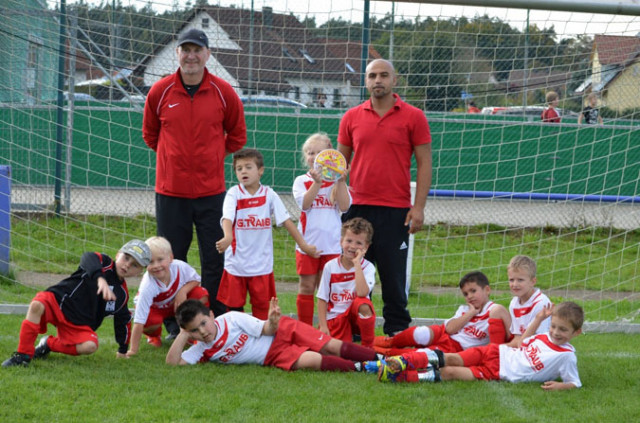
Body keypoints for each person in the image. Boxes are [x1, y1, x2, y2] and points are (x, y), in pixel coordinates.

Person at [142, 28, 247, 319]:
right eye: (185, 50)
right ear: (177, 53)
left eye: (197, 50)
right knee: (171, 261)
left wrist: (210, 157)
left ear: (207, 54)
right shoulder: (160, 90)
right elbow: (151, 135)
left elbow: (237, 136)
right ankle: (177, 320)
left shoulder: (223, 92)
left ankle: (214, 316)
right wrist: (173, 159)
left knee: (215, 258)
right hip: (170, 192)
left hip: (211, 192)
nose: (191, 55)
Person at [338, 58, 432, 336]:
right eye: (372, 76)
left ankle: (397, 332)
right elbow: (338, 166)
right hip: (358, 210)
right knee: (353, 273)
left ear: (395, 80)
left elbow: (425, 163)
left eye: (383, 75)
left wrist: (419, 207)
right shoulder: (351, 117)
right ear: (365, 81)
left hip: (395, 210)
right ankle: (353, 330)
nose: (377, 80)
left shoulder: (414, 116)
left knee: (392, 277)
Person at [2, 240, 151, 368]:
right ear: (118, 254)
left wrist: (122, 350)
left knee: (90, 346)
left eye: (134, 265)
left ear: (139, 272)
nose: (127, 265)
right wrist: (99, 278)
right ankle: (23, 356)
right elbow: (87, 257)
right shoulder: (103, 263)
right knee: (36, 305)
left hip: (79, 323)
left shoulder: (122, 295)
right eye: (126, 258)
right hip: (60, 300)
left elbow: (123, 321)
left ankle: (48, 344)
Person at [376, 302, 583, 390]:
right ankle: (405, 360)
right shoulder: (544, 336)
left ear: (576, 333)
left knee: (450, 372)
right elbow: (521, 343)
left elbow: (575, 382)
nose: (555, 332)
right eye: (554, 326)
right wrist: (538, 320)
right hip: (496, 351)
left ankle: (399, 376)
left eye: (563, 330)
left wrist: (561, 386)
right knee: (453, 357)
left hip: (497, 371)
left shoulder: (566, 356)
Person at [215, 149, 319, 319]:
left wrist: (304, 245)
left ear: (260, 170)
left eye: (248, 167)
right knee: (233, 308)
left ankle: (263, 340)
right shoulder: (234, 193)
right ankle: (237, 339)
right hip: (236, 264)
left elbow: (286, 221)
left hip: (261, 265)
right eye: (239, 169)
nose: (243, 171)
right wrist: (228, 237)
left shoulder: (269, 195)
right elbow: (227, 217)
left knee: (263, 308)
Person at [166, 298, 379, 372]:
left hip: (282, 329)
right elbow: (173, 363)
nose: (202, 331)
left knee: (329, 346)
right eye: (194, 330)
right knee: (312, 360)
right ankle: (364, 368)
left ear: (212, 315)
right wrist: (184, 334)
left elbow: (267, 330)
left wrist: (273, 321)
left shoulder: (232, 319)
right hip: (272, 355)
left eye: (203, 323)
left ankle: (379, 358)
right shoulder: (201, 349)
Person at [372, 271, 511, 356]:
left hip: (455, 347)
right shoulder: (465, 309)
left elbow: (507, 333)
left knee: (423, 354)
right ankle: (384, 342)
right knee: (420, 333)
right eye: (466, 294)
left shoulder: (493, 312)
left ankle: (381, 352)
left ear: (487, 290)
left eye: (473, 291)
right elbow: (450, 328)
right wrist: (471, 313)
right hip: (442, 332)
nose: (470, 296)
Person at [293, 133, 351, 325]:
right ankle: (304, 329)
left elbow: (344, 207)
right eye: (310, 153)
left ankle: (327, 329)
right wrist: (317, 183)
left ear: (330, 156)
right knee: (307, 287)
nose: (315, 157)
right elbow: (305, 205)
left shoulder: (336, 182)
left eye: (320, 152)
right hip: (308, 246)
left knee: (327, 289)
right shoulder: (301, 181)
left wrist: (341, 181)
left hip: (332, 246)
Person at [126, 236, 209, 355]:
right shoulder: (147, 286)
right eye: (150, 261)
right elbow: (139, 321)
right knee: (149, 321)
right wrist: (132, 350)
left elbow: (196, 280)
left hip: (176, 304)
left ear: (170, 258)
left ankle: (193, 333)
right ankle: (154, 336)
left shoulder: (180, 267)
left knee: (201, 294)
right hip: (156, 309)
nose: (156, 265)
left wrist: (183, 291)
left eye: (160, 259)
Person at [317, 218, 376, 346]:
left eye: (359, 243)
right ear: (341, 241)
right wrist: (323, 326)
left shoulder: (368, 267)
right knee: (338, 351)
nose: (353, 246)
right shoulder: (330, 267)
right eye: (349, 241)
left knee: (364, 304)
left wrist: (357, 264)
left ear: (366, 247)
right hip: (336, 318)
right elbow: (322, 299)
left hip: (355, 317)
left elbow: (362, 292)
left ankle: (368, 347)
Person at [506, 255, 552, 347]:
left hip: (541, 348)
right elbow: (518, 337)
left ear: (533, 281)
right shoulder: (514, 303)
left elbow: (540, 341)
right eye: (511, 280)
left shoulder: (541, 303)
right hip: (523, 345)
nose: (515, 284)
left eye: (520, 280)